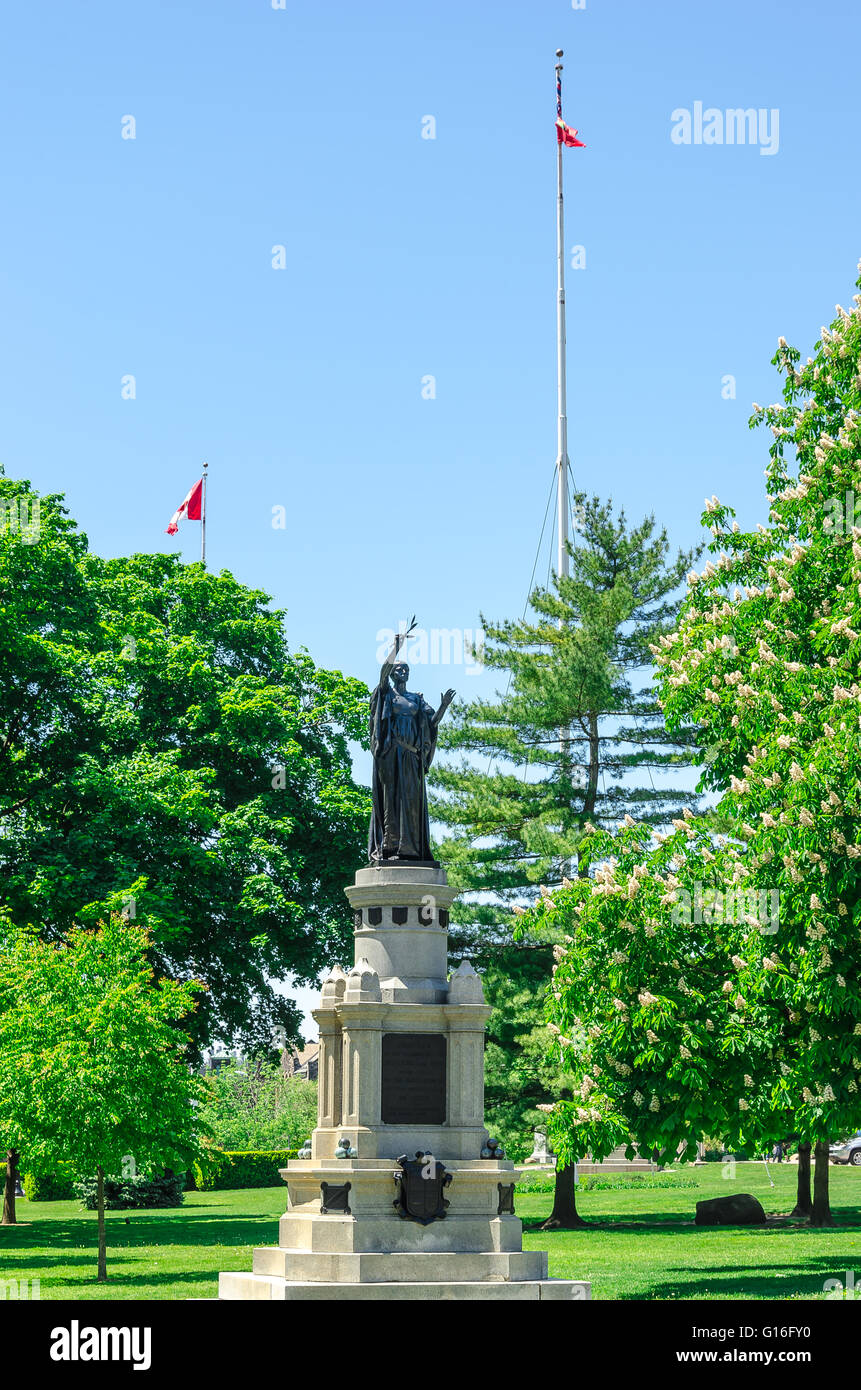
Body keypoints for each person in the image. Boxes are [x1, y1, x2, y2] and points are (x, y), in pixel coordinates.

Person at [368, 628, 454, 863]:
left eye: (406, 669)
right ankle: (390, 849)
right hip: (391, 755)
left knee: (412, 804)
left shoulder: (416, 699)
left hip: (412, 757)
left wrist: (444, 706)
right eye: (399, 669)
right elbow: (382, 673)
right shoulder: (387, 694)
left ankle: (412, 851)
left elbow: (431, 723)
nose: (403, 672)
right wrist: (396, 647)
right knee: (392, 801)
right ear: (394, 674)